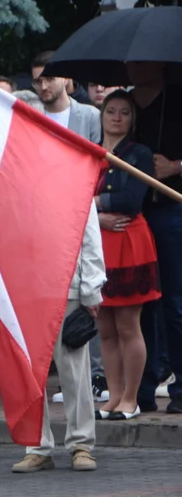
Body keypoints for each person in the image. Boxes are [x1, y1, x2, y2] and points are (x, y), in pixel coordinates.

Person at [32, 52, 107, 400]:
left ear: (66, 80)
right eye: (37, 80)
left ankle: (98, 376)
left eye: (49, 77)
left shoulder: (89, 115)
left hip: (84, 209)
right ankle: (66, 382)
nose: (43, 84)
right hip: (48, 219)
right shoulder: (32, 118)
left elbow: (98, 166)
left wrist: (95, 207)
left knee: (88, 304)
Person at [12, 207, 105, 473]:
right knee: (31, 374)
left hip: (68, 285)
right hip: (28, 287)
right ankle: (37, 446)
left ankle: (81, 444)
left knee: (74, 371)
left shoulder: (73, 177)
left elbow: (89, 235)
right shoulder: (20, 181)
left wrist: (90, 288)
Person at [94, 90, 161, 421]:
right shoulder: (88, 151)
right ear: (102, 115)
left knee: (127, 325)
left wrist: (93, 205)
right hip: (98, 246)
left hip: (128, 243)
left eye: (124, 112)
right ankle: (114, 394)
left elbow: (131, 200)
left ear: (132, 119)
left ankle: (131, 399)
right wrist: (96, 214)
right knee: (105, 327)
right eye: (111, 111)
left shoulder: (139, 154)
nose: (117, 117)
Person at [130, 61, 182, 415]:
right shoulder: (127, 107)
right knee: (139, 303)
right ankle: (142, 387)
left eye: (139, 61)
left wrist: (177, 167)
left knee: (175, 304)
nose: (131, 66)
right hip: (135, 215)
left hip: (172, 212)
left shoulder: (177, 101)